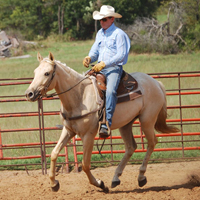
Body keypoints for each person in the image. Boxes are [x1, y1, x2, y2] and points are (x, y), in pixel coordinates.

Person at [83, 5, 131, 138]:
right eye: (100, 20)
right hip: (100, 67)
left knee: (110, 91)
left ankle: (106, 122)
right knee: (82, 82)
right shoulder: (100, 33)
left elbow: (121, 55)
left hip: (114, 68)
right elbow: (95, 51)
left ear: (111, 19)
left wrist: (105, 63)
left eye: (104, 20)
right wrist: (90, 57)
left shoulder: (119, 34)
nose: (102, 22)